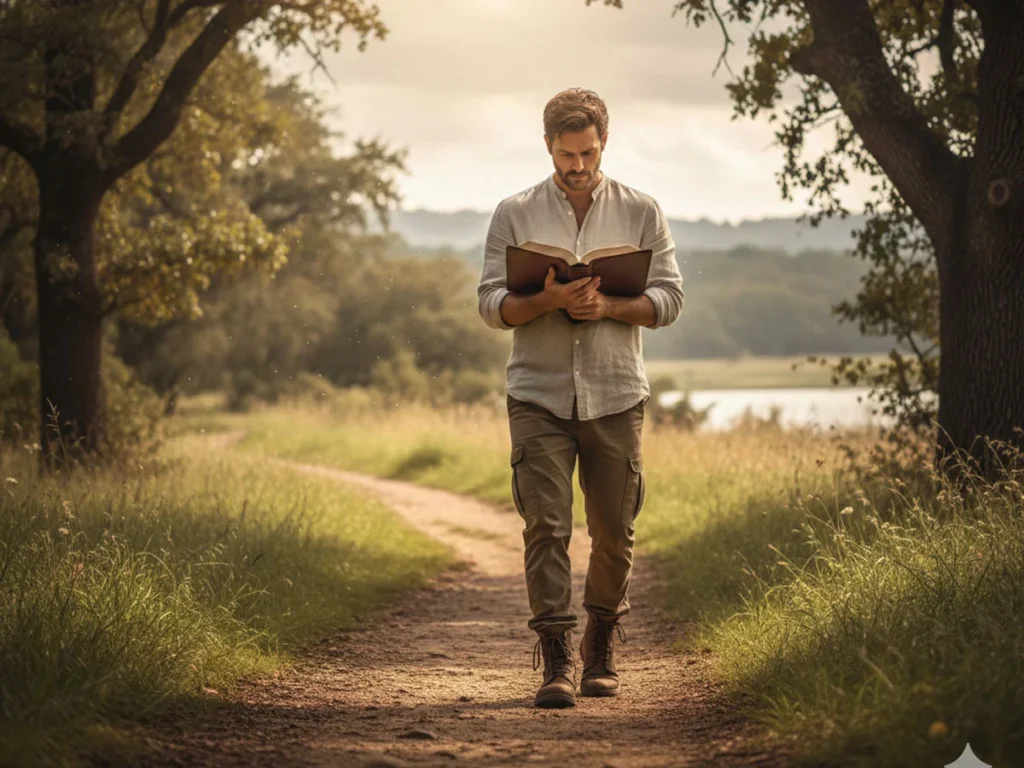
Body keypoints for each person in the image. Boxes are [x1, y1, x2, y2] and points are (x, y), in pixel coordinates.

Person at [476, 87, 684, 708]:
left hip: (617, 395)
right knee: (545, 526)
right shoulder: (513, 212)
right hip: (535, 394)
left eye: (587, 153)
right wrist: (548, 301)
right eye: (567, 154)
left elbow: (670, 299)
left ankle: (601, 646)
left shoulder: (642, 210)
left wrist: (608, 306)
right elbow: (490, 304)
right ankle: (557, 658)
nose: (578, 165)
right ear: (548, 146)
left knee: (615, 531)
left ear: (604, 143)